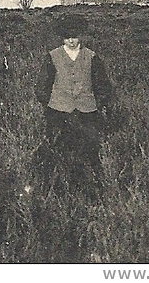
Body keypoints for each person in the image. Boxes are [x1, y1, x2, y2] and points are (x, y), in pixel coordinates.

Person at [35, 15, 116, 189]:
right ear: (62, 37)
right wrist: (51, 104)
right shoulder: (52, 56)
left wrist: (97, 103)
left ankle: (87, 186)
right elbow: (42, 86)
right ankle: (56, 185)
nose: (71, 41)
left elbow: (103, 85)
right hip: (58, 112)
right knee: (57, 151)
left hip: (86, 112)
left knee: (88, 153)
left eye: (75, 36)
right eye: (67, 37)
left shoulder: (92, 57)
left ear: (81, 36)